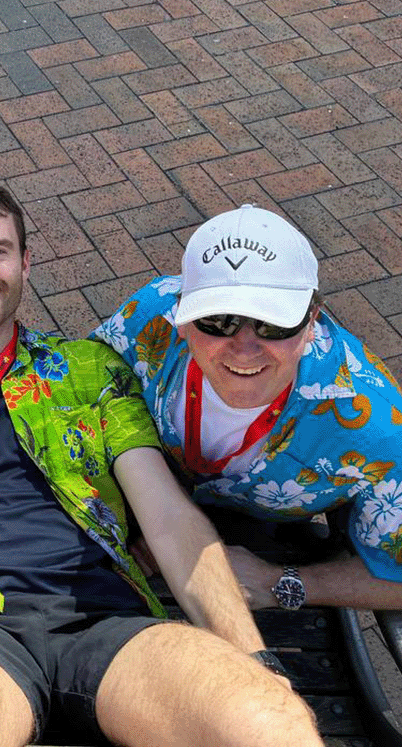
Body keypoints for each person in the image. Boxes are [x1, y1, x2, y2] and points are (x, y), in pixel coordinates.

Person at [0, 172, 327, 747]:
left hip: (103, 619)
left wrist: (254, 661)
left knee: (271, 727)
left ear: (26, 263)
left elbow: (166, 517)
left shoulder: (88, 369)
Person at [93, 204, 402, 610]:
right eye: (217, 320)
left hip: (269, 538)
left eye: (273, 324)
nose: (243, 347)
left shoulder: (380, 433)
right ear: (182, 316)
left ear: (312, 321)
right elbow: (88, 388)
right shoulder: (150, 314)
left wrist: (282, 584)